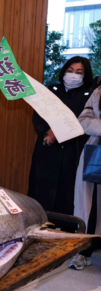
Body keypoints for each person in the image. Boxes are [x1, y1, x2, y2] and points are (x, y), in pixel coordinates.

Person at [28, 56, 92, 233]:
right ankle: (40, 226)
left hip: (73, 150)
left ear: (85, 75)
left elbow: (81, 120)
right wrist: (47, 132)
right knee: (42, 188)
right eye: (70, 70)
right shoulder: (52, 90)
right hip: (47, 148)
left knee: (68, 190)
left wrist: (59, 133)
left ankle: (67, 230)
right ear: (64, 71)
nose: (74, 75)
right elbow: (39, 114)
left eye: (79, 72)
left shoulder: (90, 93)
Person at [72, 84, 101, 270]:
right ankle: (83, 252)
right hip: (97, 151)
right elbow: (83, 119)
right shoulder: (98, 91)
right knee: (90, 205)